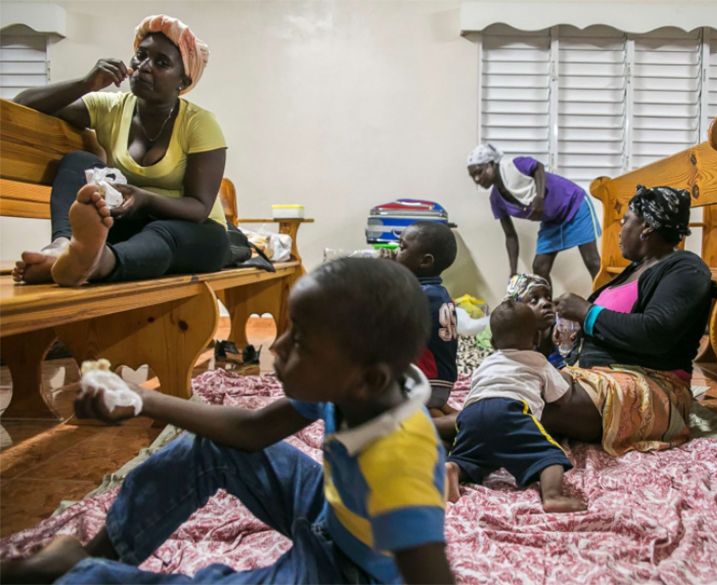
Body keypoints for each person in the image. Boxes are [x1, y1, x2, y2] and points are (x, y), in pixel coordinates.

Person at [1, 259, 455, 585]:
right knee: (210, 446)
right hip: (335, 515)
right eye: (289, 326)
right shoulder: (364, 388)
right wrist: (144, 400)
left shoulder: (400, 462)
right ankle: (97, 551)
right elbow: (249, 432)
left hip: (349, 571)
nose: (277, 346)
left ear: (366, 378)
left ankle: (85, 574)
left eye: (302, 342)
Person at [12, 15, 230, 287]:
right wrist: (86, 83)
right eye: (140, 55)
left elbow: (198, 207)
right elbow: (21, 106)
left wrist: (144, 198)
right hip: (128, 222)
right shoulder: (110, 107)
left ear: (182, 83)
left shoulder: (199, 123)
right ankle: (62, 247)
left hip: (194, 233)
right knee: (78, 160)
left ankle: (96, 264)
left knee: (161, 233)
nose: (144, 67)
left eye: (161, 63)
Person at [541, 185, 712, 457]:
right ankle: (461, 428)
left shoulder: (685, 268)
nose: (620, 230)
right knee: (518, 385)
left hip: (652, 385)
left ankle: (452, 432)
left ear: (646, 227)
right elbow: (608, 325)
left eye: (625, 221)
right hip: (596, 376)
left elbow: (654, 333)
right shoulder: (634, 270)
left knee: (536, 403)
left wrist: (585, 312)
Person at [445, 300, 584, 514]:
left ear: (492, 342)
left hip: (471, 414)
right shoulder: (539, 361)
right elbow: (563, 397)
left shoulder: (486, 363)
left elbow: (476, 390)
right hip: (510, 411)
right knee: (550, 456)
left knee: (470, 456)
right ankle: (553, 496)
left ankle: (453, 469)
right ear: (536, 338)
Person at [466, 143, 601, 286]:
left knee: (592, 261)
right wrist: (513, 271)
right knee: (539, 267)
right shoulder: (496, 199)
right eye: (472, 176)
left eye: (479, 172)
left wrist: (539, 198)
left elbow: (538, 167)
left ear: (491, 164)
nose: (477, 179)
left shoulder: (515, 166)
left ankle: (604, 304)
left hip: (575, 204)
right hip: (552, 220)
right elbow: (510, 235)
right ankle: (546, 307)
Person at [394, 221, 459, 416]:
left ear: (424, 262)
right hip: (440, 384)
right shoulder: (436, 293)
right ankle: (443, 412)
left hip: (427, 386)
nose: (395, 252)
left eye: (402, 247)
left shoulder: (419, 296)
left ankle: (443, 425)